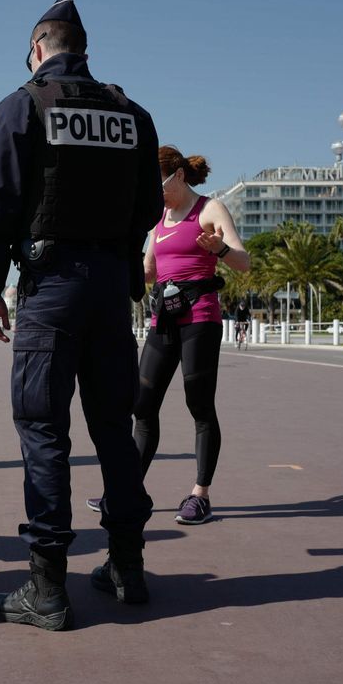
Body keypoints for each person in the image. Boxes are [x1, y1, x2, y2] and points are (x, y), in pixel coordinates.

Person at [0, 0, 162, 630]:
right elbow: (148, 208)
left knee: (44, 430)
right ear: (83, 50)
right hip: (111, 285)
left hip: (50, 286)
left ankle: (47, 586)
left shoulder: (21, 106)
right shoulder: (131, 114)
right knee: (114, 426)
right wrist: (123, 260)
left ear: (36, 49)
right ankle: (127, 566)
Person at [84, 147, 249, 526]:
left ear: (177, 175)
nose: (154, 192)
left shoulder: (209, 209)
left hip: (200, 319)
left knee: (200, 405)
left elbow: (243, 261)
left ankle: (200, 495)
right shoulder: (157, 219)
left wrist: (220, 248)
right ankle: (126, 490)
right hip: (163, 320)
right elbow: (146, 271)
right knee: (142, 406)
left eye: (156, 183)